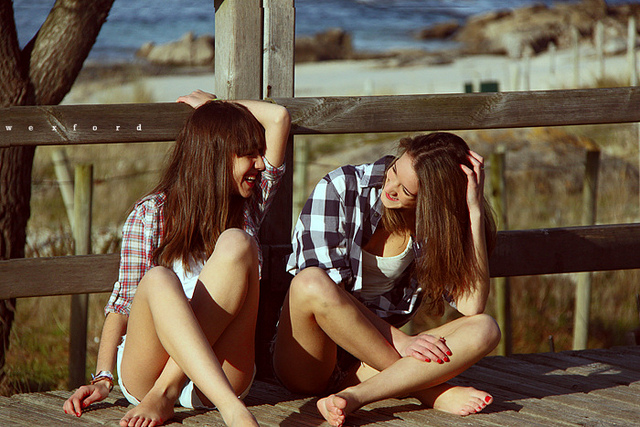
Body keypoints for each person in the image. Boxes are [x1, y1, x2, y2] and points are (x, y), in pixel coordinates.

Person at [63, 90, 291, 427]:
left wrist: (215, 107)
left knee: (237, 242)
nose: (260, 163)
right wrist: (102, 377)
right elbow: (123, 303)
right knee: (158, 278)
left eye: (260, 154)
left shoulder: (248, 208)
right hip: (149, 373)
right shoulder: (151, 214)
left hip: (218, 377)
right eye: (249, 154)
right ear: (215, 157)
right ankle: (233, 412)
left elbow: (279, 118)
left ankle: (169, 393)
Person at [272, 132, 501, 427]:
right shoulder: (341, 187)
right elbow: (324, 294)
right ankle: (428, 390)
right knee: (311, 282)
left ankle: (355, 397)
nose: (389, 187)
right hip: (309, 359)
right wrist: (402, 342)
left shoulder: (434, 224)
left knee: (485, 328)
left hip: (369, 365)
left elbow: (471, 305)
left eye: (405, 190)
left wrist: (473, 211)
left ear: (432, 202)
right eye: (393, 171)